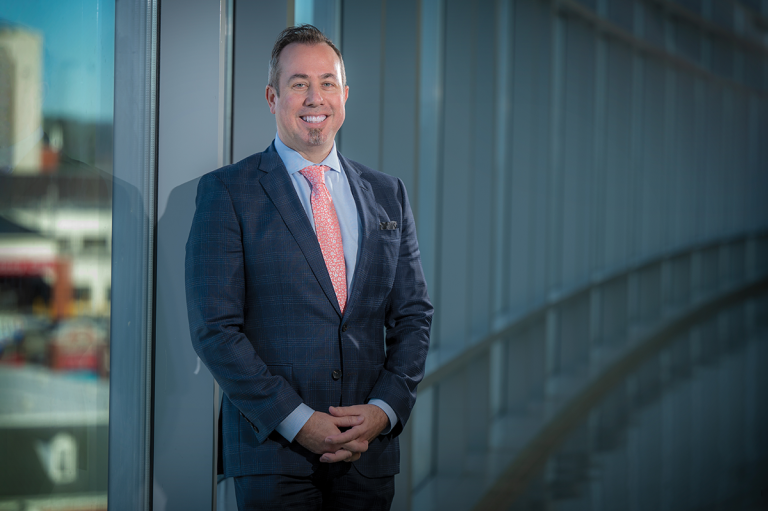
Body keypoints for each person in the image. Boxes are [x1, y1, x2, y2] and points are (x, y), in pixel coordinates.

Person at [185, 24, 432, 510]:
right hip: (274, 455)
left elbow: (414, 317)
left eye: (327, 82)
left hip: (368, 453)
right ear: (272, 96)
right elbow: (215, 329)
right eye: (299, 83)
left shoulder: (388, 193)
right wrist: (298, 419)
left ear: (344, 95)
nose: (314, 96)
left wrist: (384, 411)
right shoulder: (228, 193)